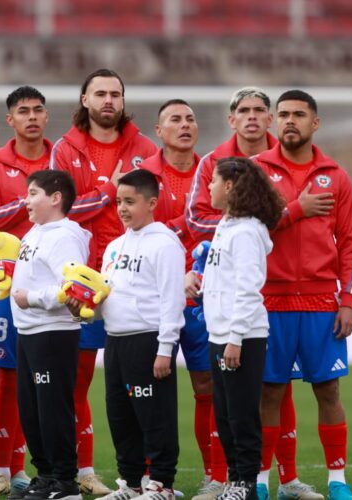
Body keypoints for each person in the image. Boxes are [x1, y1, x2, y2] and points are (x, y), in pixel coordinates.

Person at [184, 88, 312, 500]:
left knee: (242, 414)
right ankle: (236, 480)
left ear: (233, 187)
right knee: (225, 411)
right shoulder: (227, 226)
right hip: (223, 334)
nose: (210, 189)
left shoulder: (249, 232)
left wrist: (235, 337)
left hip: (241, 336)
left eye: (216, 183)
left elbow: (247, 289)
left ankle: (243, 481)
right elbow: (224, 281)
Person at [50, 68, 156, 496]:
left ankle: (148, 473)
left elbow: (156, 208)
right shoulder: (64, 148)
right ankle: (82, 470)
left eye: (116, 93)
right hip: (83, 282)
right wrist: (106, 192)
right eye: (101, 93)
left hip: (135, 282)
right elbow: (61, 212)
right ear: (84, 99)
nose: (109, 100)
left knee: (141, 382)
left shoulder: (146, 148)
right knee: (78, 383)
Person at [254, 91, 352, 500]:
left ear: (315, 123)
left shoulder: (336, 175)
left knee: (328, 390)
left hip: (320, 302)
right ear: (273, 122)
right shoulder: (257, 172)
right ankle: (262, 483)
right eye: (282, 115)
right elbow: (250, 230)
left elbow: (350, 242)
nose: (289, 121)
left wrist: (347, 301)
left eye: (299, 114)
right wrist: (296, 209)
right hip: (270, 302)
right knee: (269, 391)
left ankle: (338, 482)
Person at [0, 86, 50, 496]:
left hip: (54, 289)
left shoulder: (59, 157)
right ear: (11, 120)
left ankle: (40, 468)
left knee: (50, 381)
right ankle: (2, 469)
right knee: (8, 380)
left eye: (39, 110)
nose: (33, 117)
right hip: (7, 290)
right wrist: (32, 200)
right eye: (24, 111)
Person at [93, 169, 184, 500]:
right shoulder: (115, 246)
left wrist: (165, 348)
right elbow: (104, 295)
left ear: (152, 203)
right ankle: (130, 483)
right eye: (119, 201)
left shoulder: (165, 243)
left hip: (147, 341)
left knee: (154, 414)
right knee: (121, 416)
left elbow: (173, 298)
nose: (122, 208)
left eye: (130, 201)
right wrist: (86, 309)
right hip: (115, 342)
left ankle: (163, 484)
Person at [139, 100, 213, 490]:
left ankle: (213, 476)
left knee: (207, 387)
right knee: (151, 388)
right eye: (175, 119)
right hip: (153, 298)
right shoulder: (143, 176)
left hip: (201, 298)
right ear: (158, 130)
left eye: (190, 118)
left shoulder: (212, 172)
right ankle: (154, 478)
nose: (185, 125)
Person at [9, 170, 90, 500]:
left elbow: (71, 287)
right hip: (28, 332)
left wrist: (32, 298)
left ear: (55, 198)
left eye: (32, 194)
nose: (25, 200)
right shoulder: (34, 233)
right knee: (31, 409)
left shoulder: (65, 236)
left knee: (52, 408)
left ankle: (65, 481)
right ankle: (44, 475)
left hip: (53, 333)